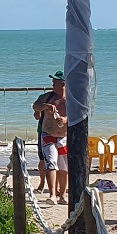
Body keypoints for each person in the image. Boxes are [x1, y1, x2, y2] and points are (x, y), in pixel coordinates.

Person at [32, 71, 69, 203]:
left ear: (63, 84)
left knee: (64, 167)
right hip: (48, 135)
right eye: (53, 83)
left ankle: (63, 195)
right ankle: (52, 194)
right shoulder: (47, 97)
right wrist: (45, 106)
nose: (53, 85)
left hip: (63, 137)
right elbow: (35, 105)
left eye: (55, 83)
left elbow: (78, 114)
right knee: (51, 162)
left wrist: (65, 120)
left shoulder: (70, 99)